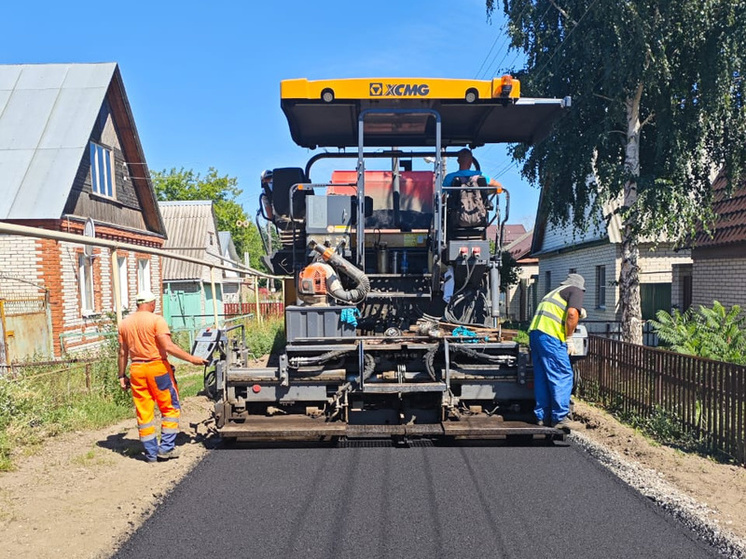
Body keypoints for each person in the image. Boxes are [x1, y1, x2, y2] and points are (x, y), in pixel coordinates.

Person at [117, 291, 208, 462]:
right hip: (157, 367)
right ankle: (166, 448)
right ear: (151, 304)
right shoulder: (156, 320)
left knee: (144, 412)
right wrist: (192, 359)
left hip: (136, 369)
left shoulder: (124, 324)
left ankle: (151, 453)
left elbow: (122, 352)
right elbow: (168, 346)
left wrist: (121, 375)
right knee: (170, 408)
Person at [528, 273, 585, 433]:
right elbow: (572, 314)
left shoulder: (554, 292)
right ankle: (561, 417)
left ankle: (542, 416)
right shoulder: (576, 290)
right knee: (562, 374)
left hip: (536, 334)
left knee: (543, 376)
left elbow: (560, 312)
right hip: (551, 337)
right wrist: (569, 338)